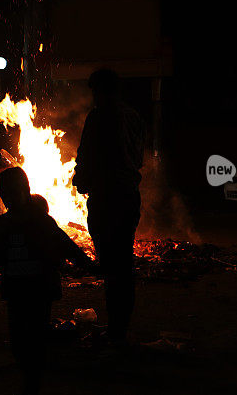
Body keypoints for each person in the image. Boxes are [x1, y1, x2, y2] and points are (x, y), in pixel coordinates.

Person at [0, 167, 92, 394]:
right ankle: (31, 371)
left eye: (10, 194)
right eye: (7, 195)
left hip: (25, 288)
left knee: (26, 330)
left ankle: (30, 372)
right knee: (30, 329)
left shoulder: (8, 225)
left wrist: (85, 263)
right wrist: (86, 263)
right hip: (34, 287)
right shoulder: (39, 221)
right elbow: (67, 247)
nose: (9, 199)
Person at [72, 69, 145, 345]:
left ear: (101, 91)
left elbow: (87, 155)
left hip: (107, 198)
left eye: (95, 91)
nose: (93, 97)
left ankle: (116, 332)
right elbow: (137, 159)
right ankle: (119, 326)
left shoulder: (100, 115)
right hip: (128, 196)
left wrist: (81, 180)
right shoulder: (134, 117)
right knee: (123, 264)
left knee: (112, 265)